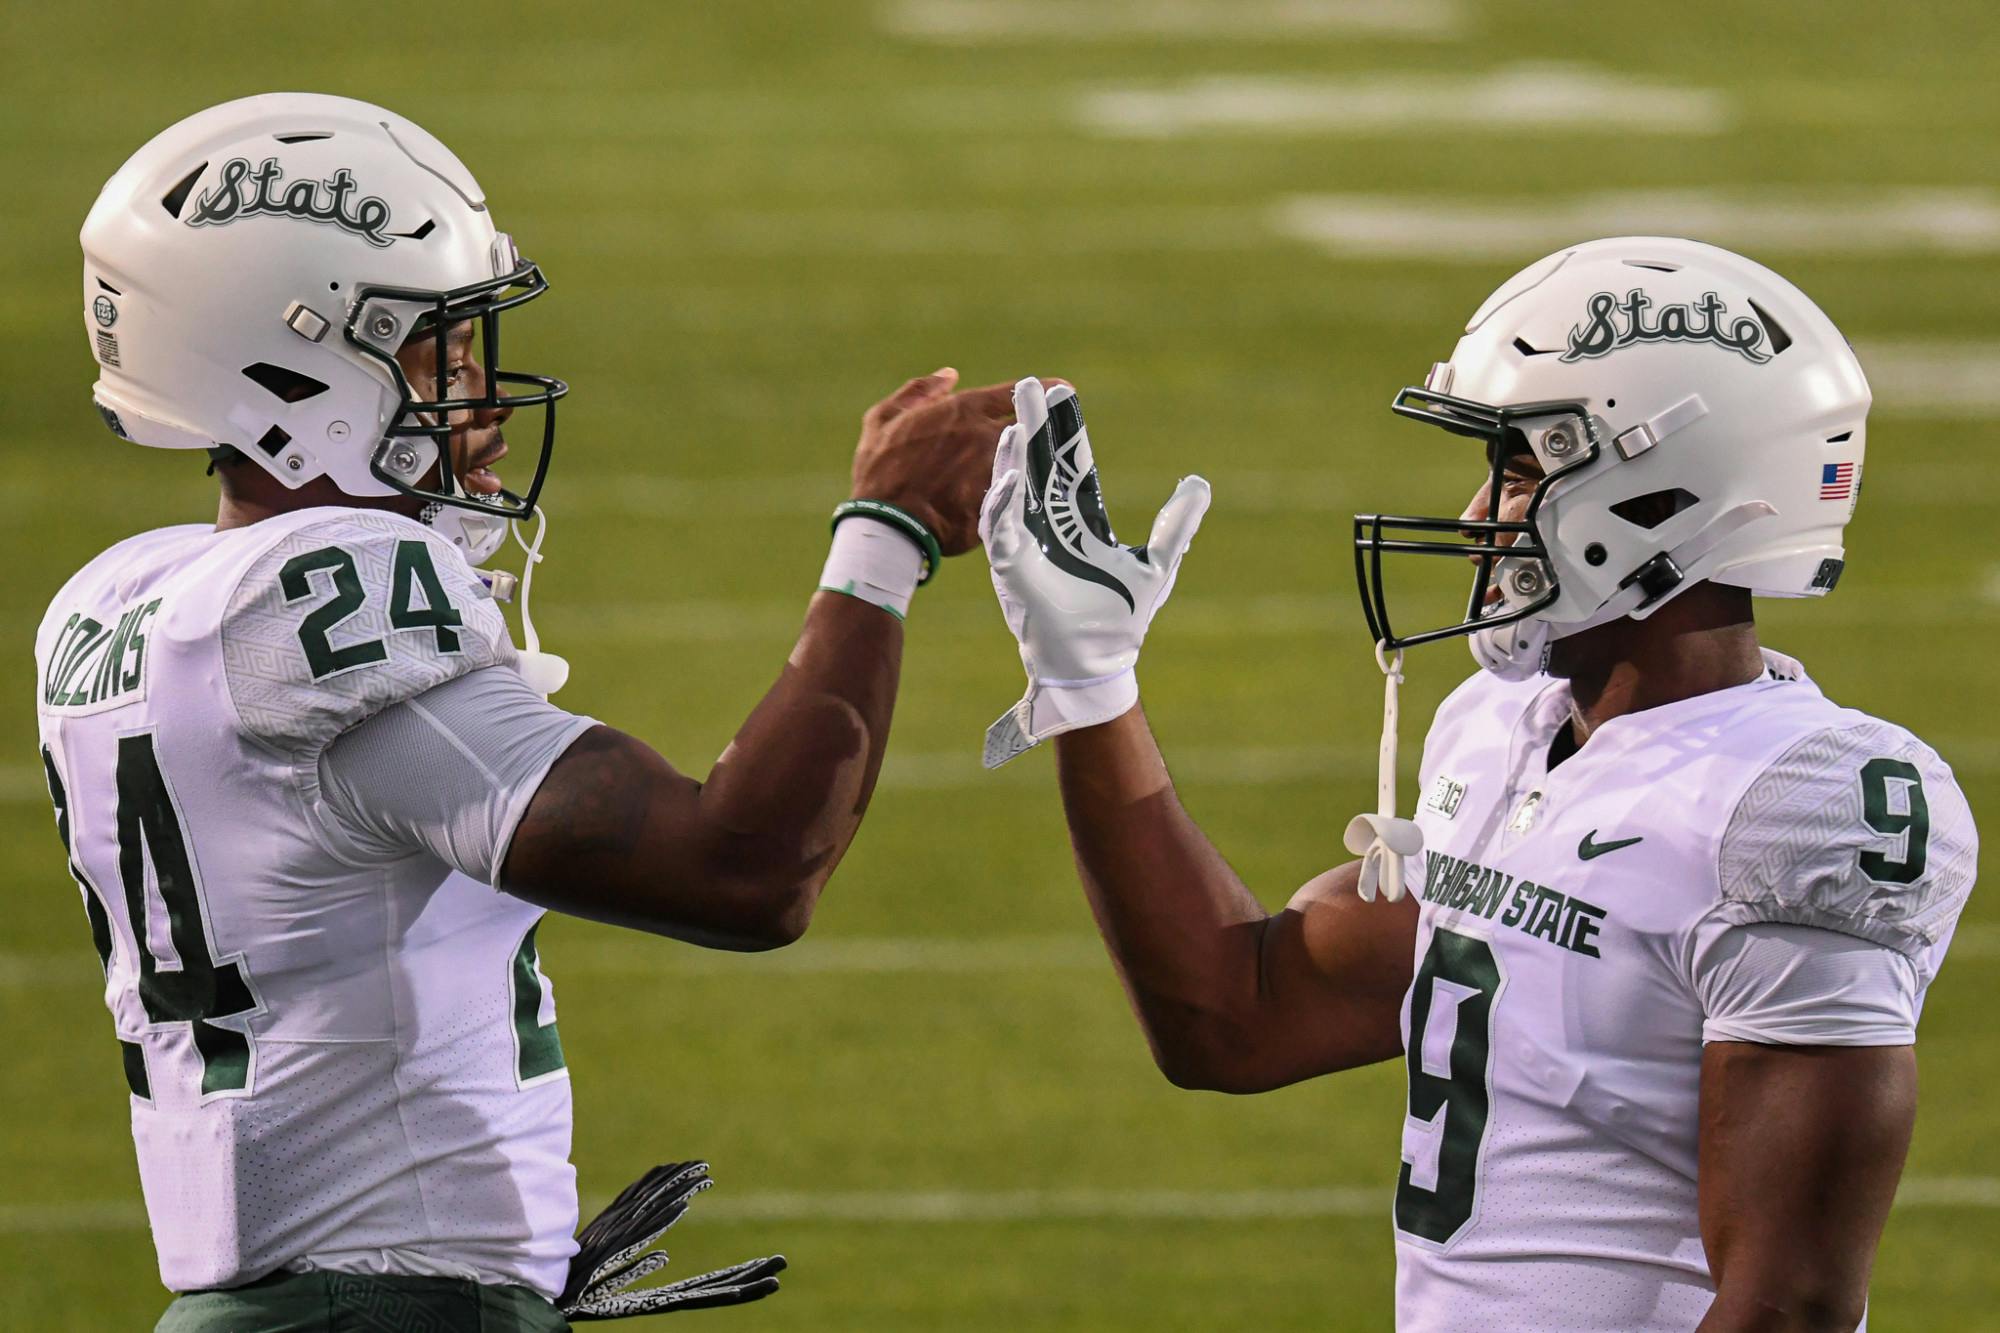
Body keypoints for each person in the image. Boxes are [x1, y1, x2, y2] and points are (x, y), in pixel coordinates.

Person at [40, 92, 1018, 1332]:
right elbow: (746, 870)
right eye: (431, 354)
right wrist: (882, 543)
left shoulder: (119, 603)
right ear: (281, 369)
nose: (480, 396)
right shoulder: (319, 606)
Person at [978, 237, 1978, 1330]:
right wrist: (1089, 689)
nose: (1473, 515)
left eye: (1516, 468)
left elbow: (1785, 1307)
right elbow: (1234, 1014)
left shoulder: (1797, 804)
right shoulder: (1500, 727)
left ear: (1660, 495)